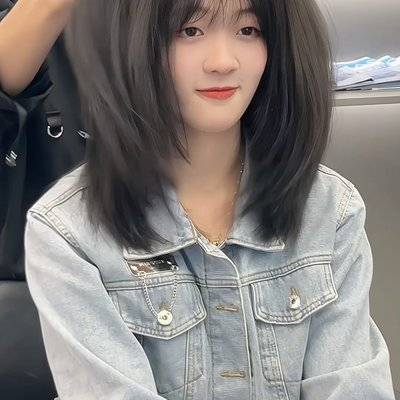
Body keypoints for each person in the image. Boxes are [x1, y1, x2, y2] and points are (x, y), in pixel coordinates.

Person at [22, 0, 395, 399]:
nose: (223, 62)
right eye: (190, 31)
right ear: (130, 43)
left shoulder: (329, 208)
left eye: (248, 30)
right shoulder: (69, 232)